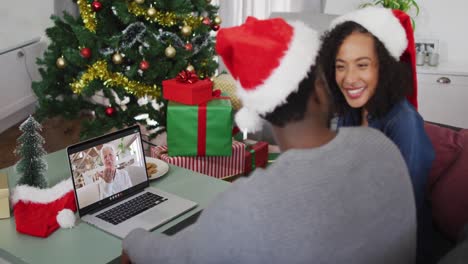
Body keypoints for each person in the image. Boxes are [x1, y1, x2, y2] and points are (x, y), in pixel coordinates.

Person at [121, 16, 416, 263]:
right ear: (319, 90)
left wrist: (132, 239)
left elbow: (172, 257)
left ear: (262, 111)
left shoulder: (246, 207)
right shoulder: (381, 147)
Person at [316, 7, 435, 263]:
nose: (349, 78)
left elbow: (403, 209)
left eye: (362, 65)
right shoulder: (351, 112)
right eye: (340, 66)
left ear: (385, 67)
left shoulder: (404, 122)